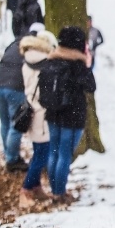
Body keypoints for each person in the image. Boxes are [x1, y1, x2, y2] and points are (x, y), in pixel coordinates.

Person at [43, 26, 96, 204]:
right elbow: (91, 87)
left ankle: (54, 189)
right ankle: (60, 192)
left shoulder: (52, 60)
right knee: (65, 154)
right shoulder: (77, 65)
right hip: (72, 116)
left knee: (53, 151)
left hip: (52, 113)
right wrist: (88, 66)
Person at [18, 28, 58, 208]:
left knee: (39, 152)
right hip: (42, 114)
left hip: (31, 111)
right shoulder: (46, 64)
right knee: (42, 155)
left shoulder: (27, 60)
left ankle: (35, 186)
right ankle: (26, 189)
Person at [0, 30, 31, 172]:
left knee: (5, 123)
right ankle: (12, 159)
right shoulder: (31, 47)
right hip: (15, 87)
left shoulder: (13, 44)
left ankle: (9, 153)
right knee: (16, 124)